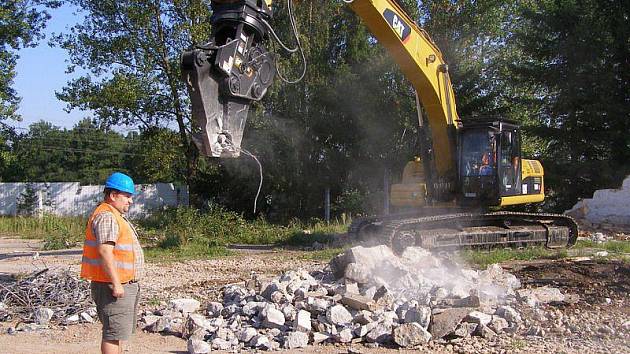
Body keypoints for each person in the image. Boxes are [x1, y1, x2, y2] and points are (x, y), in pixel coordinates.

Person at [80, 172, 144, 354]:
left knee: (118, 332)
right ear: (113, 195)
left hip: (124, 283)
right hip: (114, 286)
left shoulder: (114, 215)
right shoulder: (107, 216)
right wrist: (116, 284)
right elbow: (105, 252)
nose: (130, 201)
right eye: (127, 196)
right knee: (112, 333)